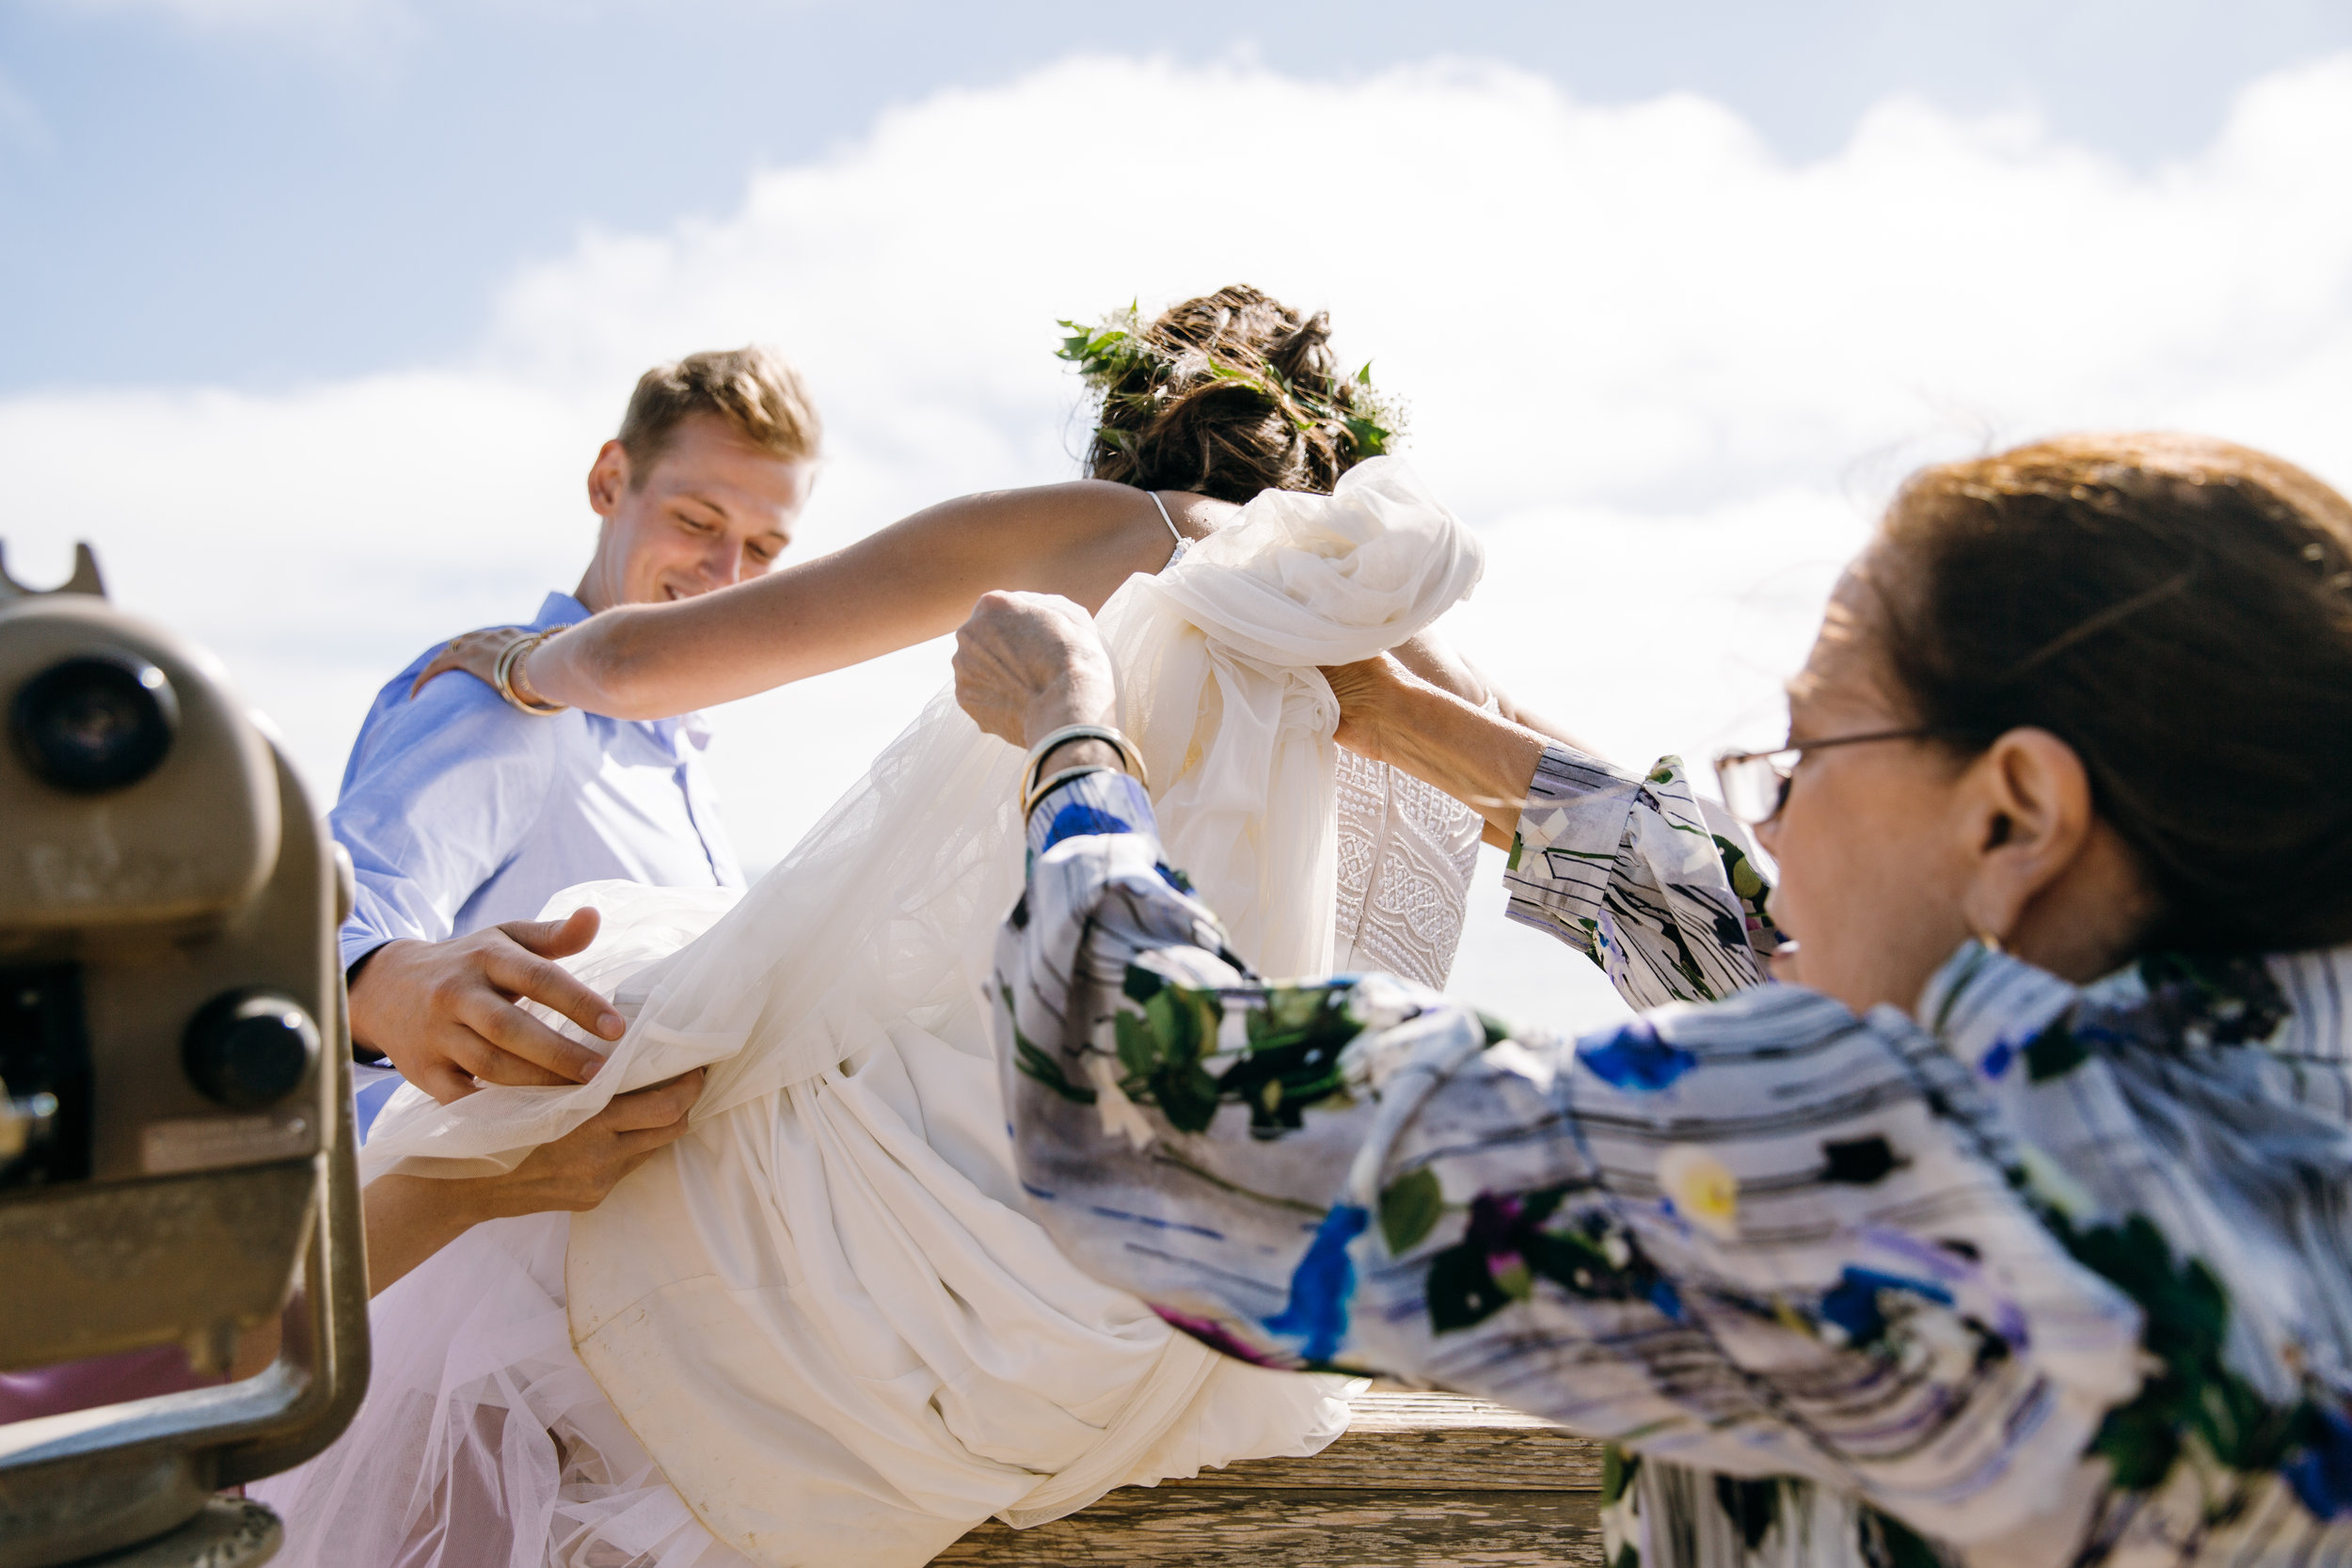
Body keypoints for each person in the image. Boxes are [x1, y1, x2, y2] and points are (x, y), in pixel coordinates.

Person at [261, 286, 1552, 1568]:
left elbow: (639, 664)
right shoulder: (1418, 657)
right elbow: (1600, 822)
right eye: (698, 522)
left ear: (1132, 437)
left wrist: (515, 658)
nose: (725, 565)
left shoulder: (1118, 531)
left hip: (842, 1256)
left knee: (676, 1006)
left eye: (756, 543)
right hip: (1161, 1315)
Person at [962, 434, 2352, 1567]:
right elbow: (1775, 950)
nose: (1783, 825)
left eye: (1800, 757)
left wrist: (1077, 733)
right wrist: (1404, 721)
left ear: (2016, 813)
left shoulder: (1913, 1170)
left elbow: (1155, 1102)